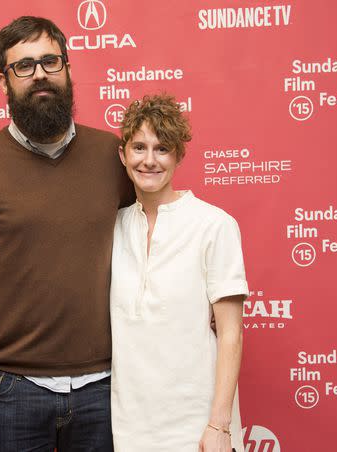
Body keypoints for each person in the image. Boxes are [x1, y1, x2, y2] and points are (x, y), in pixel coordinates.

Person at [0, 16, 133, 452]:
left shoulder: (114, 157)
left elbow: (156, 244)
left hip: (109, 387)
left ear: (67, 69)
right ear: (4, 82)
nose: (40, 73)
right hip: (11, 392)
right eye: (23, 66)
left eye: (50, 61)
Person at [110, 94, 248, 452]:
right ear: (123, 155)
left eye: (162, 148)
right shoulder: (112, 227)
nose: (149, 160)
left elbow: (230, 333)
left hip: (197, 425)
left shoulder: (214, 225)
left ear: (178, 156)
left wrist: (220, 425)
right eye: (139, 147)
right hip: (128, 426)